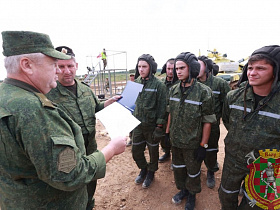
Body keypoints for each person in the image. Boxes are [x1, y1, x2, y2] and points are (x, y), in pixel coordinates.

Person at [0, 31, 127, 210]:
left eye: (68, 66)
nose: (59, 71)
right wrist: (111, 149)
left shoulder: (6, 96)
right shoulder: (34, 109)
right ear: (27, 65)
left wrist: (106, 104)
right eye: (54, 65)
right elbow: (70, 174)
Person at [46, 46, 121, 210]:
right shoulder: (48, 95)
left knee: (90, 184)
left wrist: (108, 103)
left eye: (70, 66)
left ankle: (89, 204)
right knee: (72, 189)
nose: (66, 71)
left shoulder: (85, 90)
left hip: (91, 148)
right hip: (69, 153)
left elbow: (96, 108)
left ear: (76, 66)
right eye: (61, 66)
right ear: (55, 68)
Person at [219, 45, 280, 209]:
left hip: (265, 166)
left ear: (275, 71)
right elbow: (227, 120)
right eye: (250, 67)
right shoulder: (234, 96)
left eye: (261, 68)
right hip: (234, 159)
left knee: (254, 204)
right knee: (226, 194)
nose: (252, 73)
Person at [168, 52, 216, 210]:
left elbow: (207, 121)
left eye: (182, 68)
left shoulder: (204, 92)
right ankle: (184, 191)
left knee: (193, 172)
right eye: (176, 68)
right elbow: (171, 114)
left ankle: (192, 195)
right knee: (179, 170)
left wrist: (203, 145)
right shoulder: (174, 90)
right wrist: (168, 134)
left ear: (192, 68)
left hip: (193, 143)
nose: (178, 71)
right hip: (176, 142)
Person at [132, 54, 167, 188]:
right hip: (137, 125)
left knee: (153, 152)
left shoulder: (159, 85)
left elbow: (162, 106)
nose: (141, 69)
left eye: (144, 66)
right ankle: (143, 169)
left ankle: (151, 172)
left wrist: (159, 127)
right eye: (139, 66)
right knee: (136, 151)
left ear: (151, 67)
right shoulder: (135, 83)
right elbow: (130, 104)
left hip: (152, 126)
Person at [197, 56, 231, 189]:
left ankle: (211, 170)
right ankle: (197, 169)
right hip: (195, 126)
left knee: (210, 149)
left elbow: (228, 103)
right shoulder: (192, 83)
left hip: (212, 126)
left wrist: (224, 120)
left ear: (207, 67)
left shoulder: (219, 83)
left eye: (199, 65)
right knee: (196, 149)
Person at [158, 58, 176, 163]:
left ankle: (175, 158)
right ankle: (166, 152)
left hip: (174, 116)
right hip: (162, 115)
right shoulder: (161, 83)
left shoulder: (179, 84)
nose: (170, 71)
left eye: (172, 69)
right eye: (168, 68)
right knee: (162, 137)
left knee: (173, 138)